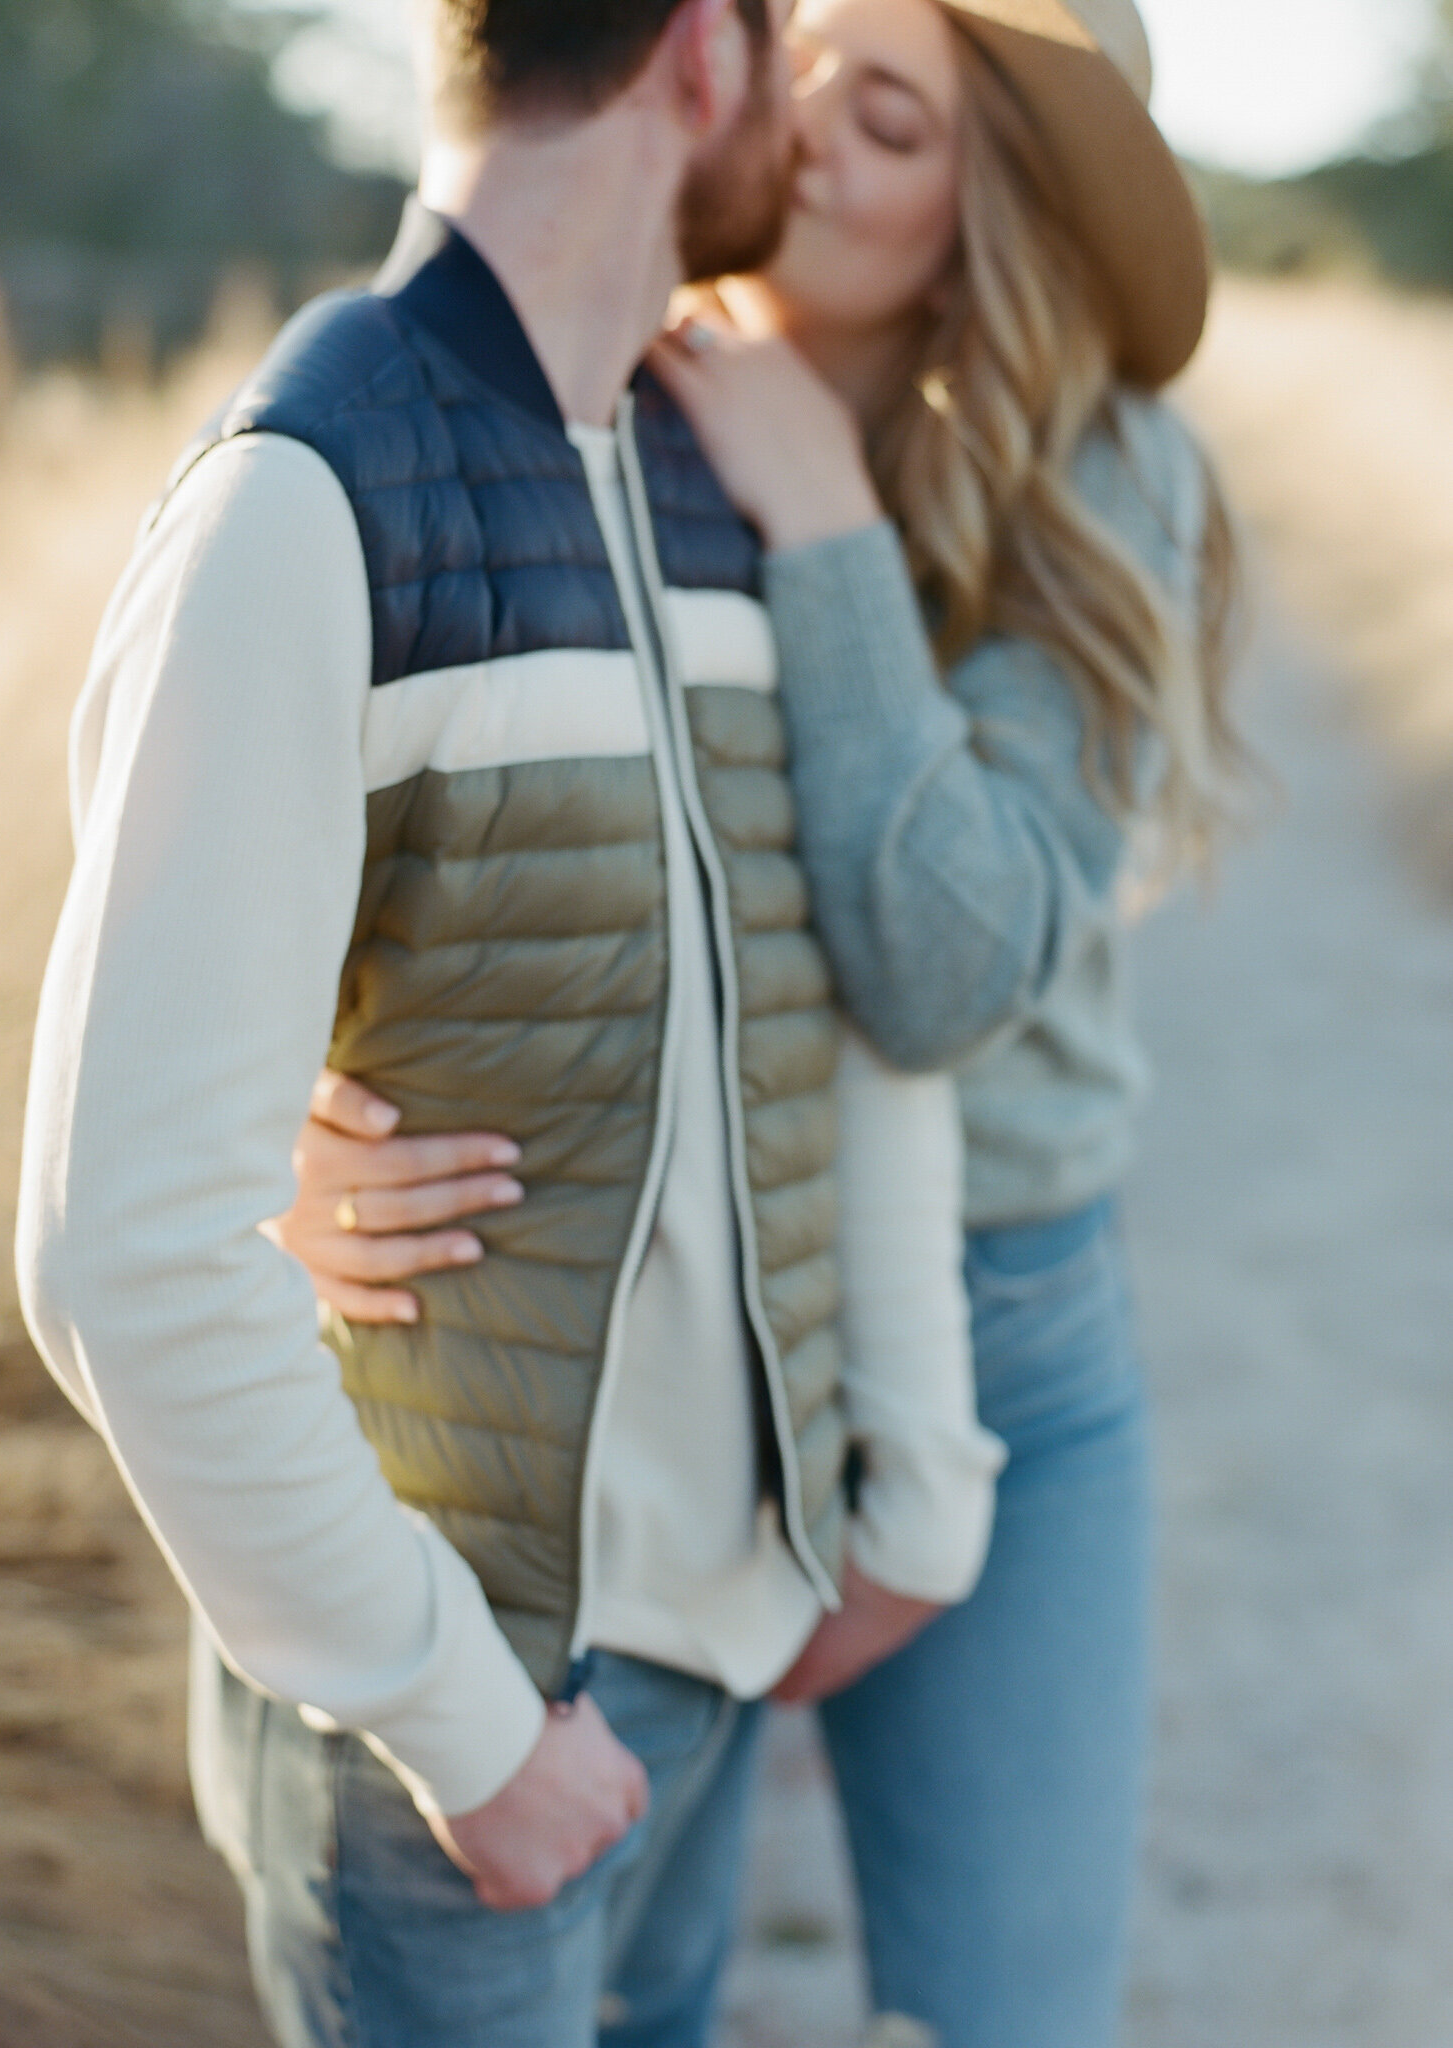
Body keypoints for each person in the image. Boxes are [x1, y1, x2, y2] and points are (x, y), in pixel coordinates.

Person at [14, 2, 1009, 2044]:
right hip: (456, 1743)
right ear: (699, 62)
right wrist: (465, 1726)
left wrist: (914, 1482)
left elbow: (835, 1030)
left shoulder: (732, 468)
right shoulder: (302, 488)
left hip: (721, 1670)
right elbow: (117, 1241)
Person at [284, 1, 1249, 2043]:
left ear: (996, 220)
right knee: (646, 1986)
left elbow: (942, 967)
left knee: (1008, 2007)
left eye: (887, 119)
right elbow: (394, 796)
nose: (801, 130)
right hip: (675, 1311)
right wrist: (302, 1101)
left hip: (1008, 1305)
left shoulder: (1102, 472)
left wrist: (829, 529)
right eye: (814, 57)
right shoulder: (593, 355)